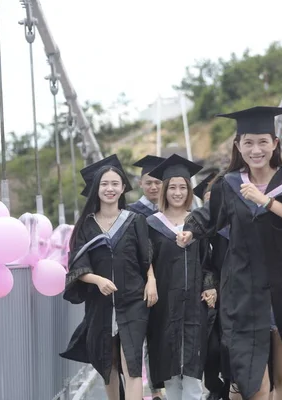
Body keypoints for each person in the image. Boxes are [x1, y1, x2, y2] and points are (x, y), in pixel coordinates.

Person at [177, 106, 282, 400]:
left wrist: (266, 201)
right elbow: (209, 215)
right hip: (243, 291)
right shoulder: (229, 184)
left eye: (262, 142)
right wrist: (190, 230)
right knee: (252, 377)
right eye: (248, 143)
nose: (256, 150)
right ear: (238, 146)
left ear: (275, 144)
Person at [60, 155, 159, 400]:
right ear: (96, 188)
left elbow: (146, 256)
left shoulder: (135, 220)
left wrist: (152, 281)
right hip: (100, 303)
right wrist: (97, 280)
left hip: (133, 299)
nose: (110, 189)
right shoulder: (85, 225)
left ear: (123, 187)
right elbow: (77, 264)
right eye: (104, 184)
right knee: (108, 362)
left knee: (132, 362)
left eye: (115, 183)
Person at [144, 153, 218, 400]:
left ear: (189, 190)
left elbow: (208, 262)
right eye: (172, 187)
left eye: (183, 187)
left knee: (193, 377)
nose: (177, 192)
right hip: (164, 306)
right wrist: (151, 280)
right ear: (164, 190)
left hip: (195, 307)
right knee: (171, 375)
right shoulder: (151, 224)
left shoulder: (198, 223)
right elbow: (143, 260)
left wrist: (210, 286)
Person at [127, 154, 166, 400]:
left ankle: (158, 389)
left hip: (168, 283)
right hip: (137, 285)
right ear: (140, 183)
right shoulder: (130, 213)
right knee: (136, 339)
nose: (153, 186)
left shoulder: (173, 210)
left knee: (160, 336)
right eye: (149, 182)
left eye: (158, 182)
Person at [192, 173, 231, 400]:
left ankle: (225, 389)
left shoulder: (232, 226)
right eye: (208, 197)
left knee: (226, 347)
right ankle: (215, 388)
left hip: (231, 297)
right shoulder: (198, 228)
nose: (212, 201)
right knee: (212, 348)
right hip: (207, 300)